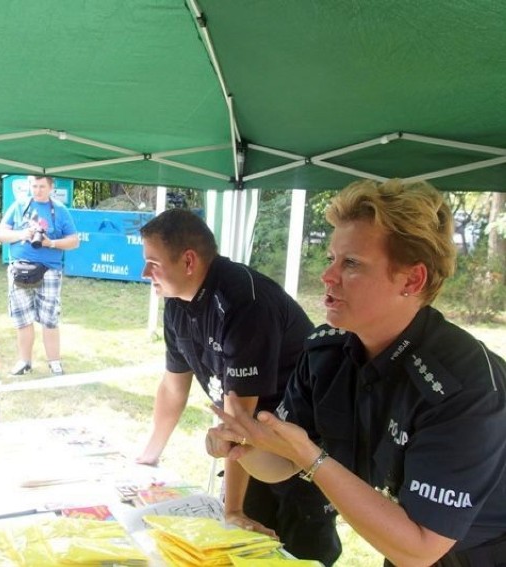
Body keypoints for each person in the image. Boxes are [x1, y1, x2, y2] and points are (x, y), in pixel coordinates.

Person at [207, 179, 506, 566]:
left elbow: (421, 547)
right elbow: (283, 465)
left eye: (350, 263)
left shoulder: (465, 386)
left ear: (412, 280)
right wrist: (244, 447)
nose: (327, 276)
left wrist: (312, 458)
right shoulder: (327, 355)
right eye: (331, 258)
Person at [135, 208, 341, 565]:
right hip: (252, 445)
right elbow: (173, 388)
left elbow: (240, 421)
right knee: (248, 544)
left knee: (299, 551)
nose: (144, 273)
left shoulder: (243, 301)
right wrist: (147, 458)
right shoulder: (177, 306)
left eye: (152, 263)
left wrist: (231, 509)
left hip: (304, 445)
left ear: (188, 261)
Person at [0, 175, 79, 376]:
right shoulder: (19, 206)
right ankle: (24, 362)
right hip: (20, 269)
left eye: (41, 186)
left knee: (49, 318)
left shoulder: (60, 211)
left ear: (51, 187)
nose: (37, 190)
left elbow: (74, 241)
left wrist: (52, 243)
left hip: (49, 271)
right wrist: (22, 234)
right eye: (34, 186)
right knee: (23, 319)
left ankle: (54, 363)